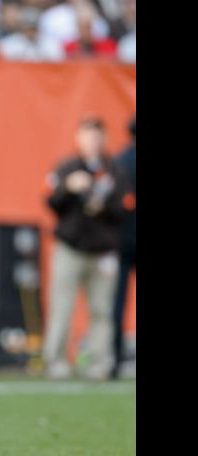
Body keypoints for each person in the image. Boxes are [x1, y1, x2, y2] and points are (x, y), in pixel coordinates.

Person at [42, 115, 134, 380]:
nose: (92, 141)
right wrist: (68, 187)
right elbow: (51, 202)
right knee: (62, 307)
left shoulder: (115, 170)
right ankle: (56, 362)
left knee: (102, 310)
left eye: (97, 135)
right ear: (78, 138)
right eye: (87, 135)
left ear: (104, 138)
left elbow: (124, 208)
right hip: (70, 248)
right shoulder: (67, 167)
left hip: (102, 251)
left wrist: (102, 204)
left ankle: (99, 363)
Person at [111, 116, 136, 379]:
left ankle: (115, 358)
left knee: (116, 303)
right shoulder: (119, 162)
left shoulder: (119, 161)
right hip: (123, 239)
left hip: (121, 241)